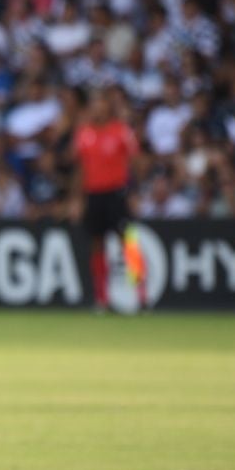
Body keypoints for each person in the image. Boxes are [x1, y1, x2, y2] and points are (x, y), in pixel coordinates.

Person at [72, 87, 144, 313]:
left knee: (129, 242)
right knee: (96, 244)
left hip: (117, 193)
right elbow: (81, 168)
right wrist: (77, 198)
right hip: (94, 195)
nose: (97, 108)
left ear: (108, 107)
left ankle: (141, 295)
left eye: (101, 103)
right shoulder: (84, 133)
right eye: (93, 104)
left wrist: (134, 192)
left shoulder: (121, 131)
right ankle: (102, 299)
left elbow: (136, 163)